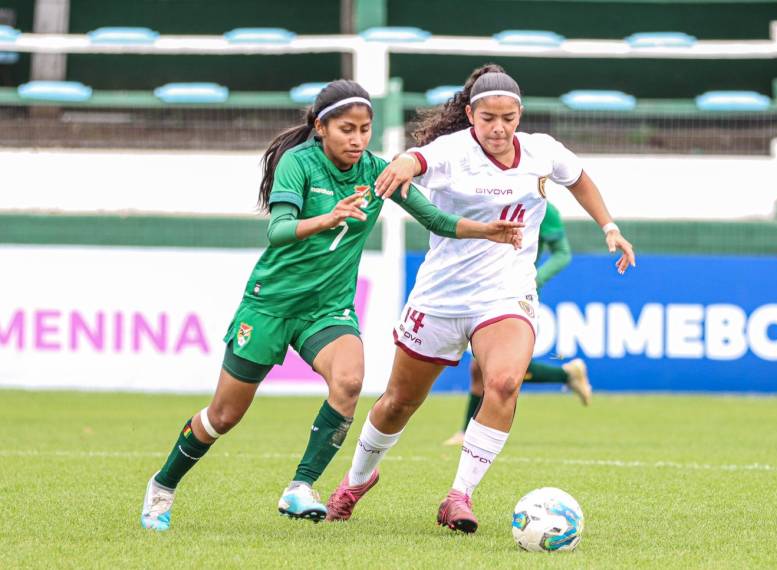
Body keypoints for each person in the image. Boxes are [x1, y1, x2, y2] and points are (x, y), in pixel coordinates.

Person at [139, 79, 524, 531]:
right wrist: (328, 217)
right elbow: (278, 230)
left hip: (328, 309)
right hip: (271, 306)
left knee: (349, 381)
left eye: (365, 129)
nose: (358, 139)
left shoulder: (376, 172)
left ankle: (301, 486)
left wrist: (487, 230)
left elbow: (434, 218)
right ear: (321, 127)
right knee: (224, 414)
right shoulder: (297, 165)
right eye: (347, 129)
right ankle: (162, 487)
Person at [324, 64, 635, 534]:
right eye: (488, 117)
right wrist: (406, 162)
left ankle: (459, 495)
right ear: (471, 114)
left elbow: (579, 179)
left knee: (505, 382)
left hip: (506, 295)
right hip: (441, 298)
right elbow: (417, 161)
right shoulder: (452, 152)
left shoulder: (540, 151)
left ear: (519, 115)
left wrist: (609, 227)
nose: (499, 128)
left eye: (508, 117)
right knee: (398, 403)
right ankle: (357, 480)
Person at [442, 202, 592, 447]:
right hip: (481, 289)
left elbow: (562, 252)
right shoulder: (485, 198)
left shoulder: (544, 208)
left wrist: (537, 277)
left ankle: (469, 432)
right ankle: (566, 374)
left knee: (498, 368)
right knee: (480, 369)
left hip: (515, 293)